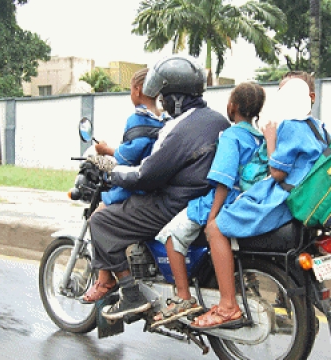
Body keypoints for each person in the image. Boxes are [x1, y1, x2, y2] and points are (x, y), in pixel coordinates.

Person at [80, 55, 230, 320]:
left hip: (170, 204)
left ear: (177, 97)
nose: (162, 101)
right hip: (200, 197)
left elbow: (145, 175)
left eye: (165, 95)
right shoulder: (215, 119)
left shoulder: (179, 127)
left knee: (101, 221)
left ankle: (130, 293)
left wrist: (111, 172)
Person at [191, 71, 327, 329]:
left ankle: (228, 306)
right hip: (300, 197)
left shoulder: (289, 126)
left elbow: (277, 172)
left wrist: (271, 139)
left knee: (215, 228)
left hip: (279, 199)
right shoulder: (318, 127)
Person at [151, 82, 267, 328]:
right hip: (248, 201)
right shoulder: (260, 138)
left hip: (225, 200)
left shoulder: (231, 136)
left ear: (232, 106)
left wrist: (212, 216)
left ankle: (183, 297)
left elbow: (223, 181)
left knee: (172, 236)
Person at [86, 68, 168, 211]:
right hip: (156, 187)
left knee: (96, 216)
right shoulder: (165, 120)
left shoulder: (137, 119)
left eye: (130, 89)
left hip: (133, 187)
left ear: (137, 90)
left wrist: (104, 150)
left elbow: (128, 156)